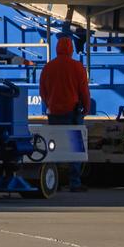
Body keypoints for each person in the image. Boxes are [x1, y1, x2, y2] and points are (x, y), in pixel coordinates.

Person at [39, 33, 90, 192]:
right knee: (75, 148)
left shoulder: (48, 67)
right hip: (72, 113)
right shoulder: (77, 67)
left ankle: (56, 181)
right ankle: (74, 182)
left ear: (56, 49)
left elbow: (42, 91)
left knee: (55, 147)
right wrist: (86, 108)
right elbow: (84, 91)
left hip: (54, 113)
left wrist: (50, 104)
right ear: (71, 49)